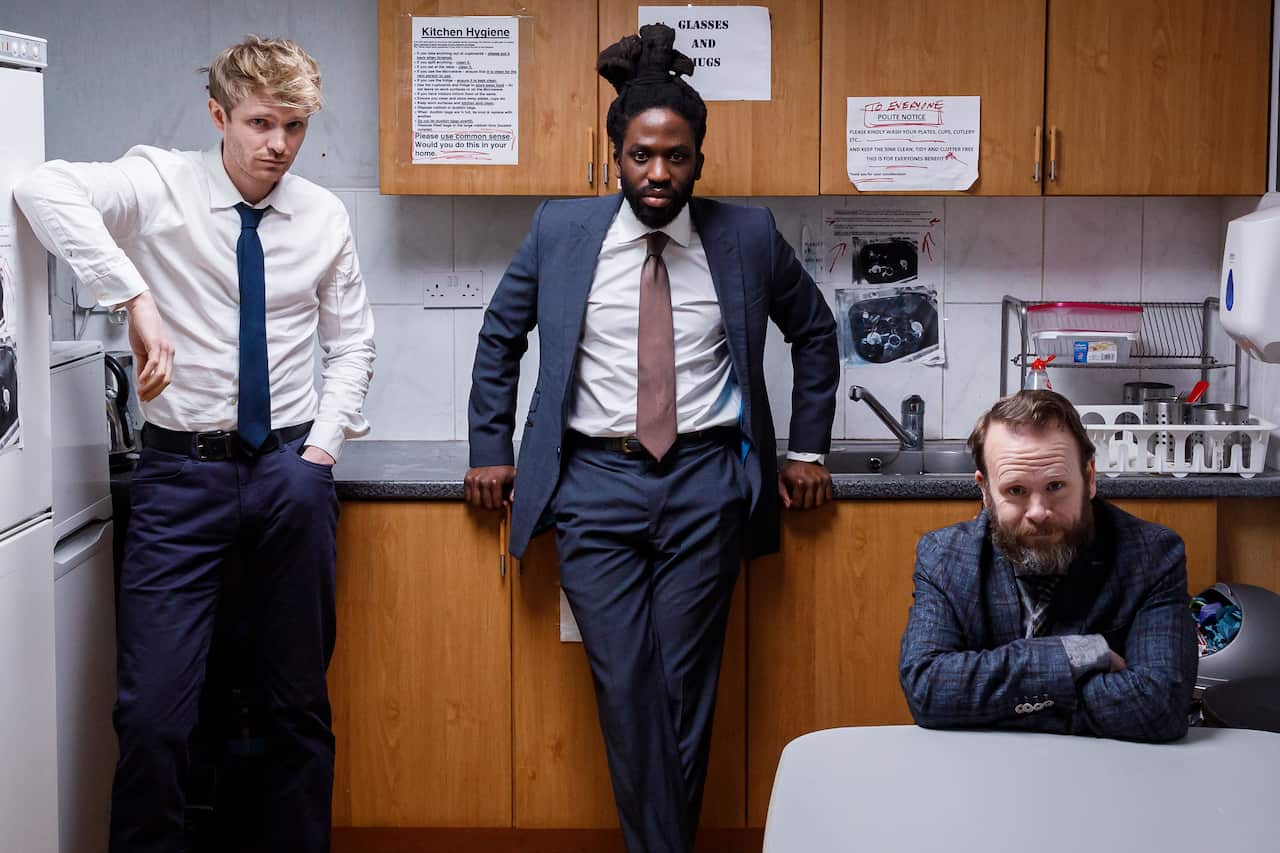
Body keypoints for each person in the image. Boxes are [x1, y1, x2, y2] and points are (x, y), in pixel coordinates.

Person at [465, 24, 839, 853]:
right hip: (594, 483)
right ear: (616, 157)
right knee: (626, 679)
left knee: (684, 684)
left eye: (675, 155)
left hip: (707, 480)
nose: (658, 173)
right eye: (642, 156)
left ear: (699, 156)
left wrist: (807, 448)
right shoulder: (561, 232)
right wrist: (490, 450)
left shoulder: (744, 235)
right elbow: (500, 337)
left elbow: (815, 331)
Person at [16, 35, 375, 852]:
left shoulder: (324, 216)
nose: (278, 145)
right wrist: (132, 296)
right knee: (151, 714)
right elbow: (42, 187)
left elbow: (352, 343)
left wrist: (319, 451)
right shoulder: (159, 183)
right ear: (219, 115)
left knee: (297, 707)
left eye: (294, 126)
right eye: (259, 123)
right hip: (182, 477)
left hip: (290, 470)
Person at [899, 390, 1197, 743]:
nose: (1038, 511)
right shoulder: (945, 556)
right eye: (1016, 490)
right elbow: (928, 691)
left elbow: (1160, 708)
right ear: (985, 491)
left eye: (1055, 486)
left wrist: (991, 701)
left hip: (1108, 777)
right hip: (977, 776)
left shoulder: (1152, 555)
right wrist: (1074, 655)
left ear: (1089, 477)